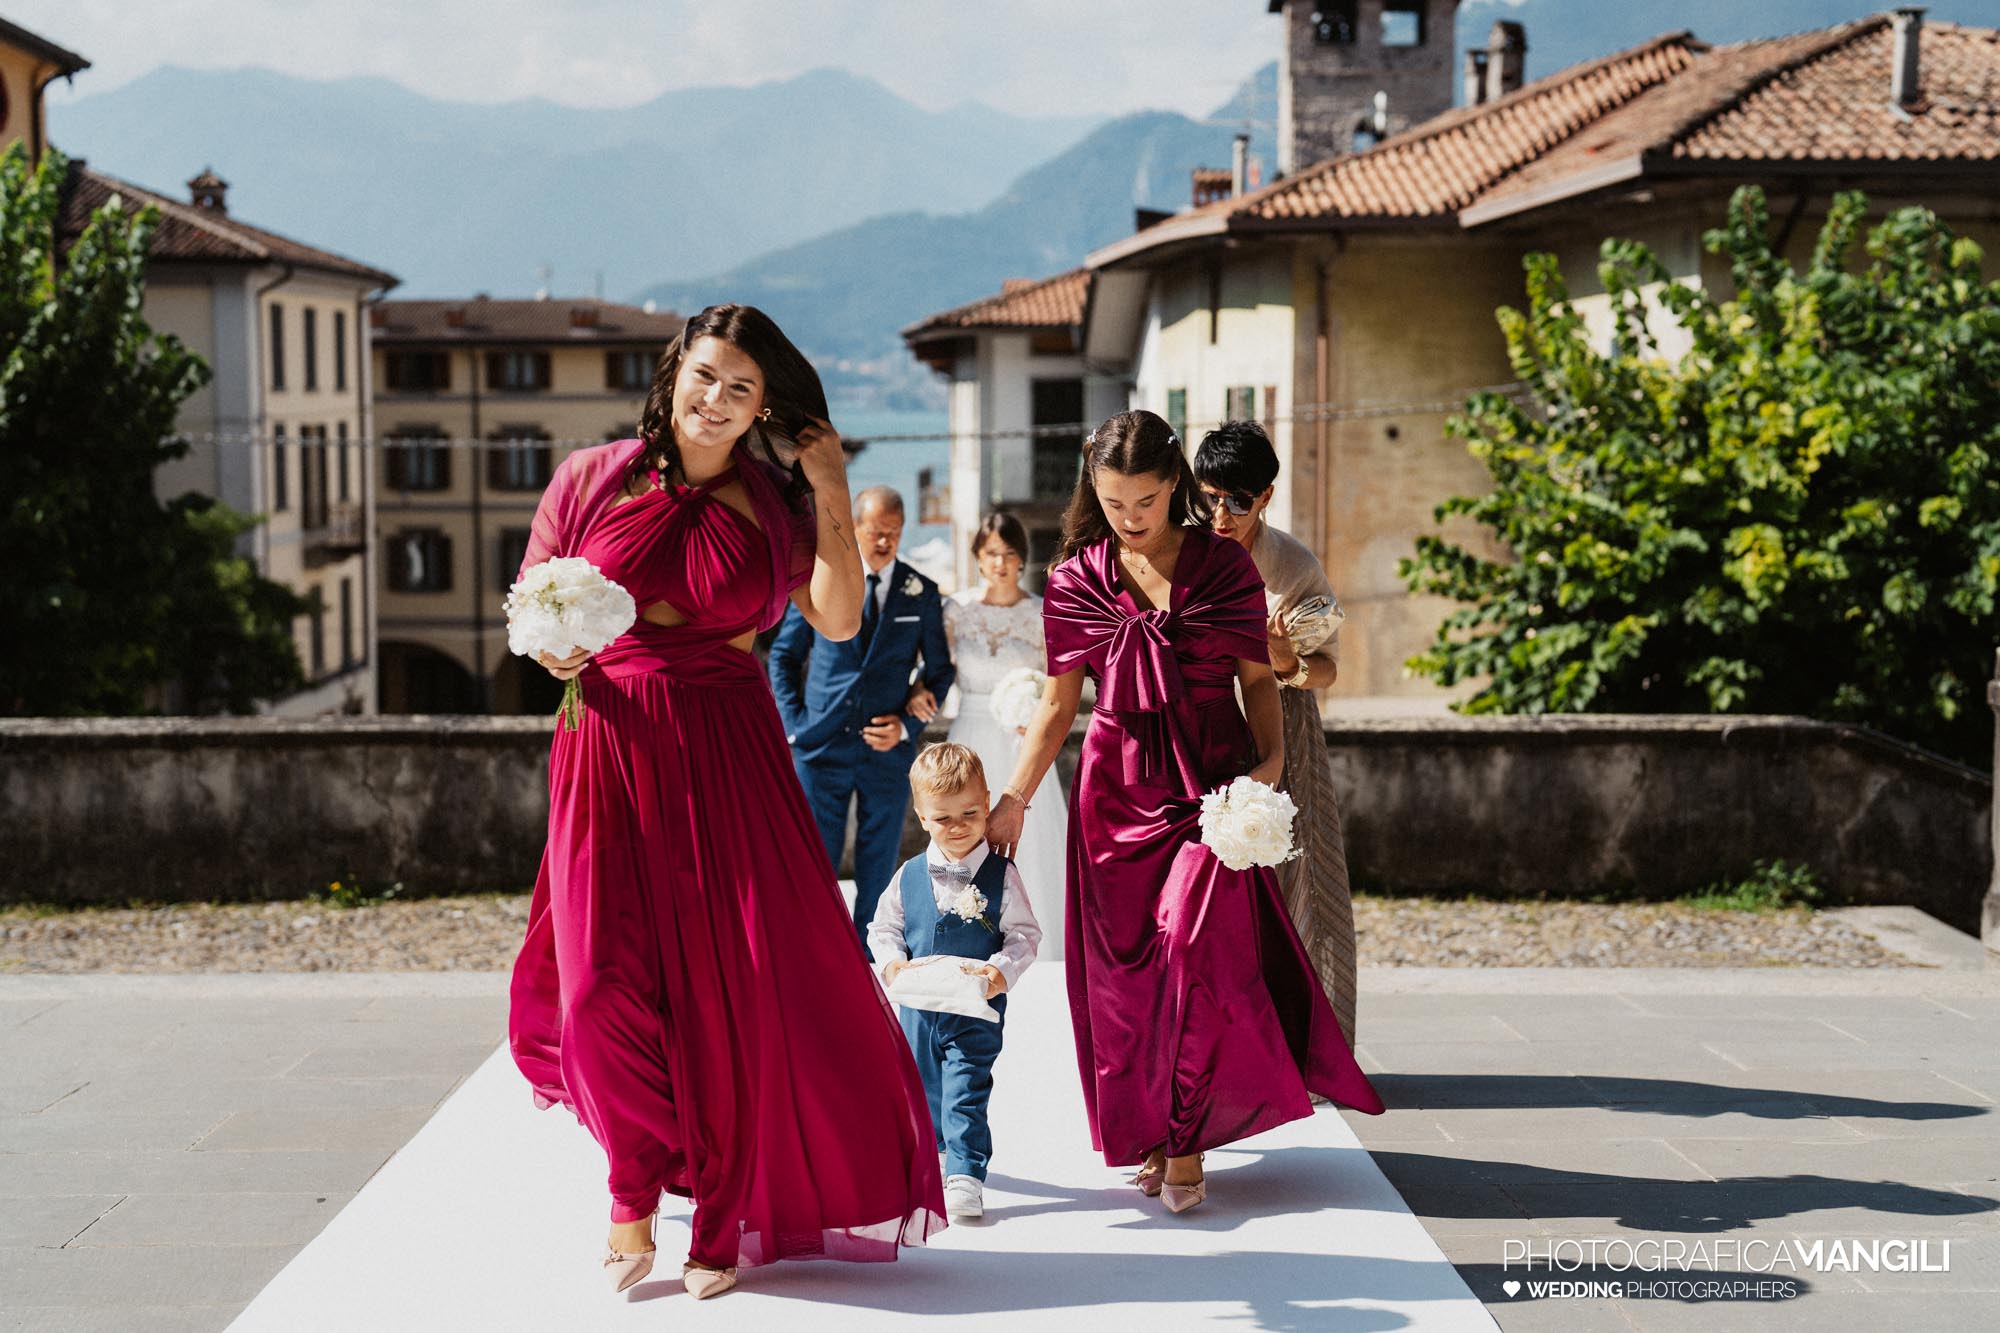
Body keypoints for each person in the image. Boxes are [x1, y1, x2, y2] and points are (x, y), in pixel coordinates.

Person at [507, 304, 944, 1303]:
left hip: (727, 747)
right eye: (705, 375)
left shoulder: (773, 500)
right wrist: (552, 646)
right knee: (595, 988)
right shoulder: (590, 476)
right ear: (674, 373)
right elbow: (533, 601)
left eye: (740, 388)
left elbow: (836, 618)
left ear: (760, 409)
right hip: (605, 741)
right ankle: (631, 1184)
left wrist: (828, 481)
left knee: (726, 986)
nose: (716, 400)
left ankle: (714, 1205)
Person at [985, 409, 1382, 1216]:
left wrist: (1265, 772)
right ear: (1093, 492)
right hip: (1113, 791)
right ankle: (1158, 1133)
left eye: (1147, 499)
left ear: (1176, 487)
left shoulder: (1225, 569)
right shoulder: (1074, 579)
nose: (1131, 516)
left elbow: (1259, 680)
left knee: (1196, 952)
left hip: (1210, 785)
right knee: (1127, 981)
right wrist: (1014, 798)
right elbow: (1060, 708)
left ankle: (1190, 1140)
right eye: (1114, 501)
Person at [1194, 420, 1358, 1044]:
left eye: (1238, 500)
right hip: (1200, 719)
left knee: (1299, 878)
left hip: (1284, 722)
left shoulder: (1292, 565)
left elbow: (1330, 669)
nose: (1222, 514)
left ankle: (1309, 1046)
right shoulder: (1177, 548)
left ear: (1265, 496)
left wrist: (1285, 659)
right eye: (1209, 497)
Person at [769, 486, 955, 946]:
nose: (884, 541)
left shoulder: (921, 593)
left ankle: (870, 958)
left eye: (893, 533)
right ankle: (816, 949)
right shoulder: (821, 581)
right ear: (855, 528)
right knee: (816, 861)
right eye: (875, 531)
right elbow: (783, 658)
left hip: (885, 751)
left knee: (878, 863)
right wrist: (794, 727)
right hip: (820, 745)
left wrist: (908, 725)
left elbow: (940, 672)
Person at [868, 742, 1042, 1223]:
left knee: (965, 1086)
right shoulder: (907, 875)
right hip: (918, 1010)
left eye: (970, 812)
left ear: (988, 802)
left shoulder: (1001, 875)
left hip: (975, 1008)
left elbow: (1025, 934)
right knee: (923, 1088)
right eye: (943, 818)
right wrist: (892, 964)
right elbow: (883, 929)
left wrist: (1000, 972)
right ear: (922, 817)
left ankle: (966, 1173)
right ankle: (940, 1151)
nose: (959, 826)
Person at [940, 511, 1067, 959]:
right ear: (978, 557)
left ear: (1021, 560)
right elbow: (937, 672)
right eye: (991, 553)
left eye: (1009, 554)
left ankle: (1038, 939)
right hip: (968, 733)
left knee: (1030, 840)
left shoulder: (1039, 612)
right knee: (963, 831)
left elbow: (1058, 686)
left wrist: (1031, 710)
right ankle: (964, 933)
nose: (1000, 562)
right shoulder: (955, 610)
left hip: (1020, 742)